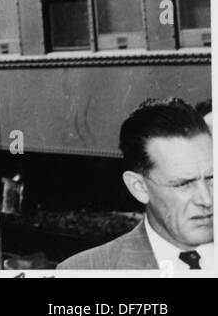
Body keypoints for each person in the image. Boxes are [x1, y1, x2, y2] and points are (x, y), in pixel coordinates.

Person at [58, 98, 213, 271]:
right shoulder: (82, 271)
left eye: (212, 178)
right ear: (139, 187)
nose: (207, 200)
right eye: (183, 184)